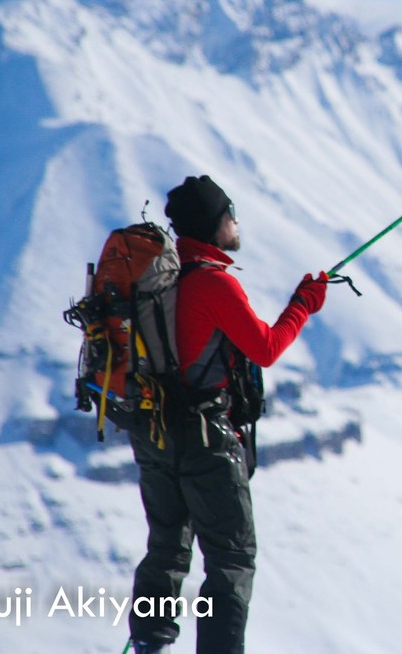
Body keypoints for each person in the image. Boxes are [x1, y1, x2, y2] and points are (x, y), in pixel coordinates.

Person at [128, 175, 328, 654]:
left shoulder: (163, 280)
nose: (236, 222)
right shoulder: (212, 282)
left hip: (155, 434)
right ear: (213, 225)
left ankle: (150, 645)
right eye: (230, 214)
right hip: (204, 437)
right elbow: (265, 348)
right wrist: (305, 302)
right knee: (230, 559)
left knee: (166, 548)